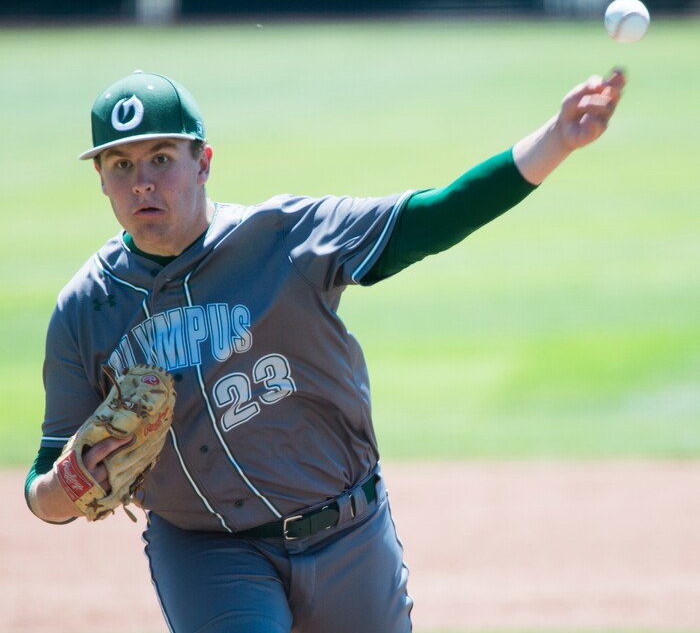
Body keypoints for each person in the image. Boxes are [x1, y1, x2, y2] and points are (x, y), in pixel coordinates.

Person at [25, 67, 625, 632]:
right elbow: (42, 491)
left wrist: (557, 140)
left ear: (203, 162)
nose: (143, 181)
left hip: (348, 533)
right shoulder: (86, 308)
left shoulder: (287, 238)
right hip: (208, 551)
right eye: (121, 164)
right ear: (100, 178)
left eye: (161, 158)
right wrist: (70, 482)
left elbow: (434, 216)